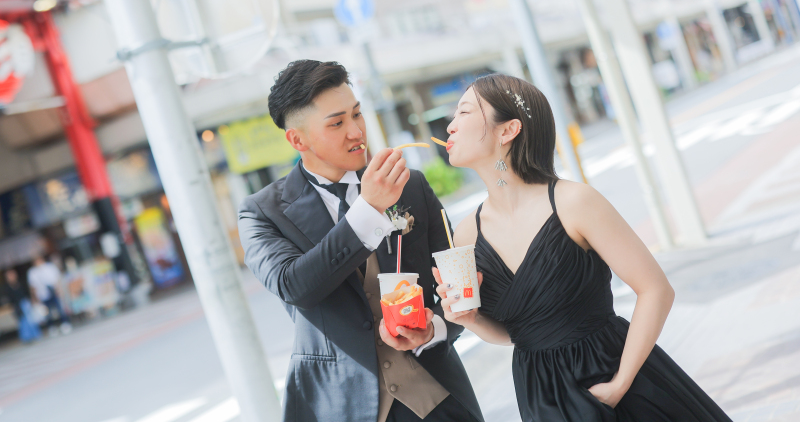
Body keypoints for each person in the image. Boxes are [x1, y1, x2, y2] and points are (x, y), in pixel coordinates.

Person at [433, 73, 732, 421]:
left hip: (613, 375)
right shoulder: (468, 232)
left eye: (464, 113)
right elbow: (516, 334)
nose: (450, 126)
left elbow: (656, 290)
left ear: (507, 130)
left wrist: (620, 382)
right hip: (540, 391)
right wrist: (470, 320)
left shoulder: (574, 202)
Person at [238, 60, 483, 422]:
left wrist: (434, 330)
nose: (357, 132)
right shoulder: (261, 212)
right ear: (297, 139)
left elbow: (458, 286)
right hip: (342, 406)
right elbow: (295, 287)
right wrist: (368, 210)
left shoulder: (410, 184)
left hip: (437, 397)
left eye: (357, 114)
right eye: (337, 123)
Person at [27, 255, 71, 336]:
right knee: (47, 312)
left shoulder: (50, 267)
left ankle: (65, 323)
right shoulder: (32, 272)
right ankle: (51, 327)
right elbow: (32, 287)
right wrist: (34, 298)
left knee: (60, 308)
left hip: (53, 291)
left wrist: (60, 290)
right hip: (42, 295)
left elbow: (57, 279)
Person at [2, 269, 41, 342]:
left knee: (30, 319)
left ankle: (35, 335)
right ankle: (26, 337)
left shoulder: (21, 283)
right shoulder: (7, 288)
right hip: (17, 306)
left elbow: (27, 292)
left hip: (25, 303)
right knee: (22, 322)